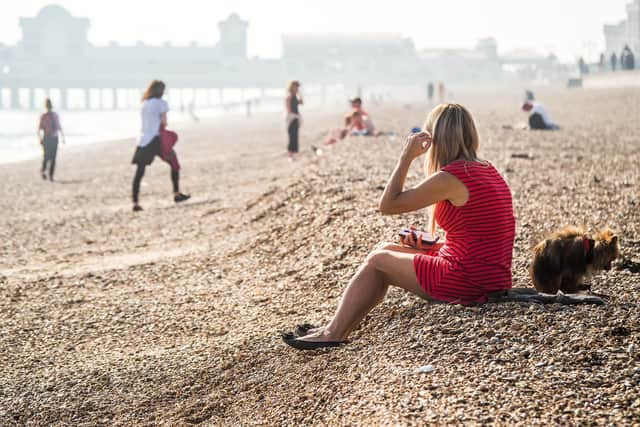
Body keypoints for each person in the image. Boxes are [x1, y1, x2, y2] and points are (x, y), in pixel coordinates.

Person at [283, 103, 516, 350]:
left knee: (379, 261)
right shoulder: (486, 168)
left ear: (436, 138)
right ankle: (337, 325)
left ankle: (333, 333)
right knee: (384, 248)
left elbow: (388, 204)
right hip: (492, 276)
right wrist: (434, 244)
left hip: (469, 283)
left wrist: (406, 156)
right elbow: (481, 235)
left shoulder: (451, 177)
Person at [131, 80, 190, 212]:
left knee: (139, 172)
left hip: (143, 140)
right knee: (174, 164)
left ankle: (135, 202)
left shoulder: (144, 103)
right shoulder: (161, 103)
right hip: (157, 140)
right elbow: (164, 122)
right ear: (160, 91)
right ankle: (176, 194)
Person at [37, 98, 65, 181]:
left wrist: (40, 139)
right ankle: (50, 175)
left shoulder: (44, 116)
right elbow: (59, 127)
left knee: (46, 156)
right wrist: (63, 137)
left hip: (47, 138)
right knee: (52, 157)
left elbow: (39, 129)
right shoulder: (54, 115)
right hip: (53, 138)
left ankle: (44, 171)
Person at [285, 80, 303, 160]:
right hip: (292, 118)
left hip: (296, 118)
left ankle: (293, 154)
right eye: (296, 86)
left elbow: (302, 102)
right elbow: (288, 109)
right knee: (292, 136)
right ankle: (290, 155)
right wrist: (294, 116)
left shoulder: (295, 96)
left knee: (295, 136)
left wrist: (300, 94)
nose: (297, 88)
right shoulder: (289, 96)